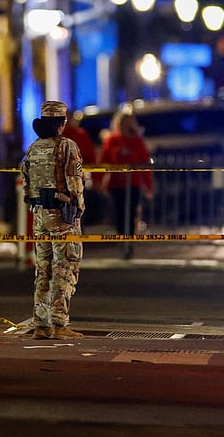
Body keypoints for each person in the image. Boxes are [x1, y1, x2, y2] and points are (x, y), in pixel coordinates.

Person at [20, 100, 86, 340]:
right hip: (62, 216)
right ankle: (59, 324)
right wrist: (78, 207)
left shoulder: (34, 148)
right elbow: (74, 181)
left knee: (43, 270)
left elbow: (26, 183)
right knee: (64, 267)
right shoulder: (67, 146)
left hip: (39, 215)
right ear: (62, 122)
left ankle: (41, 324)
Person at [98, 111, 153, 254]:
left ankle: (129, 240)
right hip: (116, 184)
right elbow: (104, 160)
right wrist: (98, 179)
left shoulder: (137, 141)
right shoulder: (111, 140)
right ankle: (123, 239)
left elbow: (144, 163)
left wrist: (148, 186)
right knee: (119, 212)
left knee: (131, 211)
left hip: (133, 183)